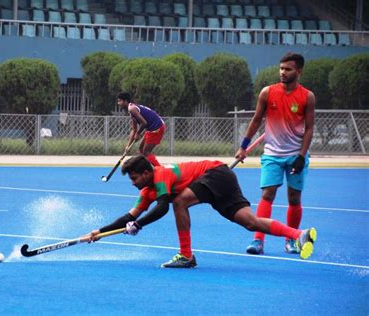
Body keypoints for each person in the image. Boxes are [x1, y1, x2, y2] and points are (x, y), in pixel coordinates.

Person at [86, 155, 317, 268]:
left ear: (146, 173)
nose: (132, 183)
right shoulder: (147, 191)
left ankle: (186, 255)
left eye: (134, 178)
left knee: (179, 202)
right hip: (218, 180)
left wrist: (138, 225)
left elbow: (164, 206)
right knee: (251, 223)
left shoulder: (160, 175)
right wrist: (99, 231)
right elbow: (129, 216)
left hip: (215, 173)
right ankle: (299, 235)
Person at [234, 52, 316, 256]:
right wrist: (243, 146)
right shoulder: (267, 92)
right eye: (281, 68)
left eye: (288, 69)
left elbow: (309, 129)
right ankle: (258, 241)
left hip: (296, 154)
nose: (283, 72)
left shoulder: (307, 96)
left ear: (298, 71)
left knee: (294, 198)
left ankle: (291, 239)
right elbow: (256, 120)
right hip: (272, 153)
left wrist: (301, 155)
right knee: (267, 194)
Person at [117, 92, 165, 166]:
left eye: (120, 101)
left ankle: (160, 170)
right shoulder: (131, 110)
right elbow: (134, 130)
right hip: (150, 129)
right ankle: (144, 169)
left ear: (125, 101)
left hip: (156, 127)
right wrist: (128, 146)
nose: (118, 103)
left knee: (146, 152)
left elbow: (144, 123)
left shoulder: (132, 108)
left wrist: (138, 134)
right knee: (140, 150)